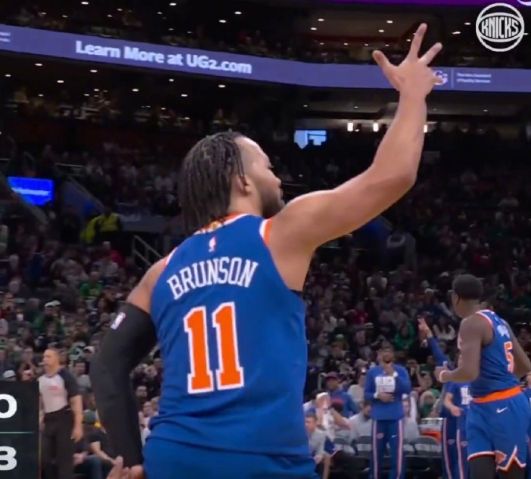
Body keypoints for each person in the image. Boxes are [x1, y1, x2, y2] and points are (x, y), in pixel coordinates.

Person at [91, 23, 443, 479]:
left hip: (173, 458)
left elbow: (107, 365)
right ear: (242, 181)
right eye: (268, 165)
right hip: (262, 462)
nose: (277, 177)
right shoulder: (278, 233)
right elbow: (393, 175)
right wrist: (412, 95)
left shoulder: (161, 270)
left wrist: (131, 459)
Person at [436, 274, 531, 479]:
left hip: (503, 405)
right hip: (481, 405)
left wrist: (444, 375)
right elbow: (525, 365)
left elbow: (470, 372)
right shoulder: (500, 322)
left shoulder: (471, 323)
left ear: (455, 297)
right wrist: (504, 380)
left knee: (511, 475)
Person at [419, 316, 469, 479]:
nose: (462, 359)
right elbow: (437, 352)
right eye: (460, 357)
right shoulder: (451, 372)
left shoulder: (475, 378)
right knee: (448, 457)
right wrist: (429, 334)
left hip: (466, 421)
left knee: (464, 459)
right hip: (448, 420)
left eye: (465, 358)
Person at [364, 345, 412, 479]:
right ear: (379, 355)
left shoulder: (400, 370)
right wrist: (377, 396)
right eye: (383, 352)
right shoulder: (372, 372)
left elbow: (407, 389)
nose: (386, 354)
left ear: (393, 355)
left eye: (388, 352)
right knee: (376, 454)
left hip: (395, 417)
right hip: (379, 417)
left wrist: (393, 375)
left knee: (397, 454)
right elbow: (367, 393)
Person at [39, 348, 83, 479]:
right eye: (44, 357)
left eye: (48, 357)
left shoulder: (66, 376)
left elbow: (76, 401)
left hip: (64, 419)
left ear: (57, 359)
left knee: (64, 461)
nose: (45, 359)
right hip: (48, 420)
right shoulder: (40, 378)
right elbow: (40, 401)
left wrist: (78, 426)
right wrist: (40, 416)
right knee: (44, 458)